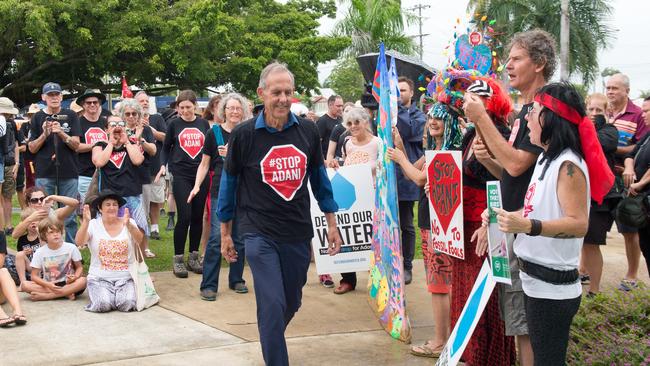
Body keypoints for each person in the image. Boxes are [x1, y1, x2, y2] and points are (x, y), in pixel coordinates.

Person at [218, 62, 342, 365]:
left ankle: (270, 335)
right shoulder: (245, 135)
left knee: (291, 301)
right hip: (257, 231)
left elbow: (320, 180)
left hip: (297, 232)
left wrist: (331, 222)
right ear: (262, 93)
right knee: (272, 304)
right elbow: (229, 183)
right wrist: (224, 232)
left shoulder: (308, 131)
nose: (283, 98)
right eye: (276, 92)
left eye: (288, 91)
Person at [494, 82, 613, 365]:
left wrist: (528, 226)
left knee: (548, 360)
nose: (526, 119)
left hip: (553, 289)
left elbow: (578, 224)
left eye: (533, 112)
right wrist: (504, 215)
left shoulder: (568, 165)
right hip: (535, 281)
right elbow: (538, 207)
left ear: (549, 119)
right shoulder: (547, 158)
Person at [463, 29, 556, 366]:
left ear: (540, 63)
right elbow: (513, 175)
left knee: (527, 325)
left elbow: (518, 165)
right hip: (514, 227)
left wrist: (481, 118)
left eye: (517, 59)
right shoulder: (526, 111)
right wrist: (488, 161)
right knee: (519, 322)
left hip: (530, 231)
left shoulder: (543, 110)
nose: (509, 66)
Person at [387, 103, 456, 358]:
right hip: (430, 221)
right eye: (431, 118)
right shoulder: (434, 149)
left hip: (440, 224)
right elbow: (413, 171)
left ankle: (439, 341)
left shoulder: (447, 149)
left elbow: (418, 179)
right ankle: (443, 337)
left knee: (439, 284)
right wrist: (401, 146)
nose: (433, 122)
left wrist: (400, 157)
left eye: (440, 118)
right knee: (436, 283)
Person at [189, 93, 251, 300]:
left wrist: (232, 156)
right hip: (220, 192)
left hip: (243, 192)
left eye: (238, 108)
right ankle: (209, 284)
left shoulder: (246, 133)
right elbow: (204, 164)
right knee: (216, 237)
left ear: (243, 111)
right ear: (223, 110)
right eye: (230, 108)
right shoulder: (213, 133)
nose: (234, 112)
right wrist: (196, 186)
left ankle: (236, 279)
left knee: (240, 237)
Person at [326, 107, 380, 294]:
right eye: (349, 123)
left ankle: (378, 280)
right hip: (348, 199)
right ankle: (348, 280)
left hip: (372, 198)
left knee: (373, 239)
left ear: (365, 122)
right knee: (347, 237)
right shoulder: (347, 143)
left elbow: (384, 171)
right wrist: (336, 164)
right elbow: (346, 165)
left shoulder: (377, 143)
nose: (353, 126)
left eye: (357, 122)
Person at [160, 90, 210, 278]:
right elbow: (165, 149)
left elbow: (209, 149)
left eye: (188, 107)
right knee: (185, 216)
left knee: (198, 216)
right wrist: (163, 166)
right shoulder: (173, 124)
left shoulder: (203, 123)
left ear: (195, 106)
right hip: (180, 174)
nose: (185, 111)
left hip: (200, 174)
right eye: (181, 108)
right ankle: (178, 259)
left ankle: (193, 257)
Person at [605, 73, 648, 291]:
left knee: (629, 228)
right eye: (608, 88)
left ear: (627, 91)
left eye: (615, 88)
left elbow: (639, 146)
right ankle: (584, 270)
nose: (611, 92)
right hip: (603, 177)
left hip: (626, 179)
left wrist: (612, 148)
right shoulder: (603, 112)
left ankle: (631, 275)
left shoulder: (638, 115)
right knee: (593, 228)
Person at [91, 102, 151, 254]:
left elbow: (138, 160)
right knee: (110, 231)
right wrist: (111, 143)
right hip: (110, 197)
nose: (117, 127)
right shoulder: (100, 145)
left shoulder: (131, 143)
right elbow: (99, 162)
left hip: (132, 194)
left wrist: (126, 142)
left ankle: (140, 265)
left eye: (120, 124)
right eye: (112, 124)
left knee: (139, 229)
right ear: (106, 129)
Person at [28, 82, 81, 244]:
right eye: (50, 95)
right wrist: (45, 134)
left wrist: (62, 133)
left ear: (62, 96)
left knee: (70, 214)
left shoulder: (71, 115)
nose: (54, 98)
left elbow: (76, 145)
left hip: (68, 170)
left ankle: (71, 251)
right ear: (43, 98)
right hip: (45, 172)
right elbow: (32, 148)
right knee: (43, 212)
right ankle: (45, 248)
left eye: (57, 94)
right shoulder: (37, 117)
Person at [75, 190, 144, 312]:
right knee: (103, 305)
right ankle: (107, 296)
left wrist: (129, 225)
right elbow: (79, 242)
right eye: (107, 204)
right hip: (99, 278)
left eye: (115, 204)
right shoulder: (93, 224)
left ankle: (116, 296)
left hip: (126, 278)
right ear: (100, 209)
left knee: (127, 304)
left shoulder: (129, 221)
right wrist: (85, 223)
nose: (112, 207)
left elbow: (139, 240)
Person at [578, 93, 618, 295]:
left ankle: (594, 290)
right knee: (583, 241)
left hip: (601, 197)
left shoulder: (610, 131)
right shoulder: (581, 128)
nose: (594, 114)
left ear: (607, 112)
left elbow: (600, 144)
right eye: (591, 109)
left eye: (599, 110)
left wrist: (590, 126)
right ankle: (582, 276)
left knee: (592, 243)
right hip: (582, 192)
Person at [396, 76, 427, 284]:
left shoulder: (420, 116)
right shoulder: (389, 113)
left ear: (412, 93)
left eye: (403, 90)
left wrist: (396, 112)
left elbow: (411, 132)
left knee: (406, 223)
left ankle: (407, 265)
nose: (399, 95)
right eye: (396, 91)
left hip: (409, 174)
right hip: (390, 174)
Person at [21, 217, 87, 301]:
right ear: (44, 235)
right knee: (24, 285)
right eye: (51, 232)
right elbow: (34, 276)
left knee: (83, 281)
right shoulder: (40, 252)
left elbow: (79, 267)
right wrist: (48, 285)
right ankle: (66, 293)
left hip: (68, 283)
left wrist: (75, 277)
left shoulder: (71, 247)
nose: (55, 234)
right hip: (49, 285)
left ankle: (48, 296)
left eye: (58, 231)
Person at [623, 96, 650, 276]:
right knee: (646, 246)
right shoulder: (648, 134)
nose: (643, 114)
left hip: (645, 194)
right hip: (642, 202)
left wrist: (641, 183)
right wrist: (629, 167)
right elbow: (631, 154)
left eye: (647, 111)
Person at [135, 91, 168, 242]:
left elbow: (167, 138)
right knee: (142, 201)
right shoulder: (132, 119)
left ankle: (154, 227)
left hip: (156, 165)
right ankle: (142, 227)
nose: (145, 103)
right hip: (138, 168)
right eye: (142, 101)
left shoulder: (157, 118)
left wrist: (152, 130)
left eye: (147, 101)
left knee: (156, 199)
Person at [76, 89, 108, 205]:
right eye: (89, 103)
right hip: (84, 173)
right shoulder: (78, 122)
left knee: (103, 206)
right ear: (83, 105)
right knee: (85, 209)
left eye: (95, 102)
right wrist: (97, 144)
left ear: (99, 104)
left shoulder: (105, 122)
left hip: (105, 173)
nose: (92, 105)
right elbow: (76, 146)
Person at [12, 186, 78, 239]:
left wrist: (53, 197)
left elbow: (75, 203)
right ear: (29, 203)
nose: (39, 202)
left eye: (42, 199)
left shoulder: (55, 214)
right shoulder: (28, 216)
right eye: (35, 200)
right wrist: (30, 219)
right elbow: (15, 235)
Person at [0, 97, 21, 234]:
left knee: (7, 197)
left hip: (8, 162)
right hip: (3, 161)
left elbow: (17, 144)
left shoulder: (11, 123)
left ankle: (6, 227)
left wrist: (17, 163)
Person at [9, 208, 42, 289]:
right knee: (20, 254)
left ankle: (41, 279)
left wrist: (39, 233)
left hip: (43, 265)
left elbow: (47, 248)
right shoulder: (22, 239)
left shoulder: (43, 235)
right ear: (25, 224)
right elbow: (19, 256)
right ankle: (23, 283)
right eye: (30, 221)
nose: (33, 222)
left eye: (36, 220)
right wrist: (24, 253)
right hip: (30, 266)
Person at [20, 104, 40, 193]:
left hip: (40, 156)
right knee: (30, 177)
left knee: (40, 178)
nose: (34, 117)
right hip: (29, 157)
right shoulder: (25, 125)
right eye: (32, 115)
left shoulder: (41, 126)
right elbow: (23, 138)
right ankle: (30, 196)